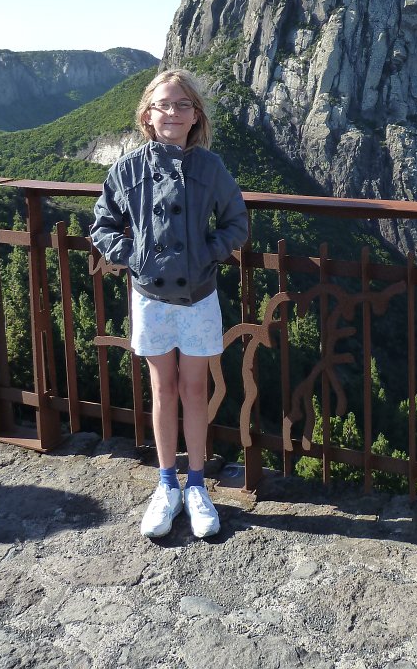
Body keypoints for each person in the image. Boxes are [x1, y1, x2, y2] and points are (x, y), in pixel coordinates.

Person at [91, 69, 248, 539]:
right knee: (162, 391)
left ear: (195, 115)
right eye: (164, 104)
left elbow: (236, 224)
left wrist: (204, 254)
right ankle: (166, 485)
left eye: (183, 105)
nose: (173, 113)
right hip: (151, 298)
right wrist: (134, 256)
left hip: (199, 296)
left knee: (195, 390)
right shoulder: (127, 169)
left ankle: (196, 484)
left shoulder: (211, 168)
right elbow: (102, 227)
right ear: (148, 113)